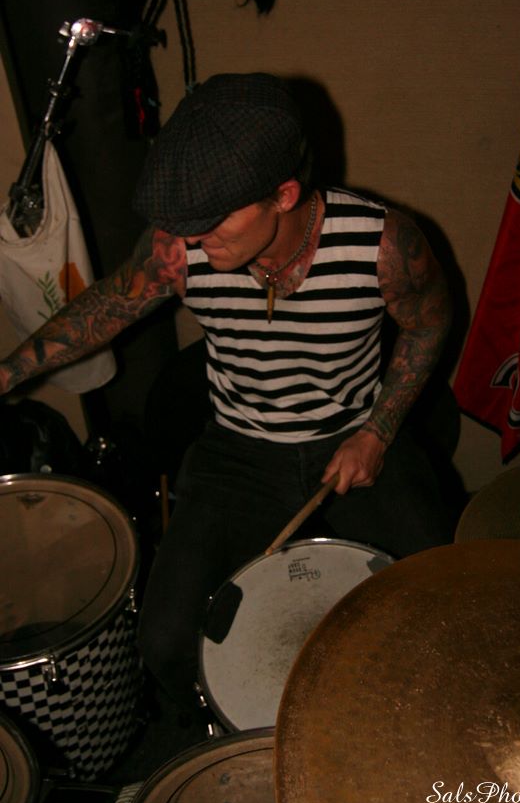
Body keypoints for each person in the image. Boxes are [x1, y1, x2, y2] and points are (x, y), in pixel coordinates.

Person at [0, 73, 453, 709]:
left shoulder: (382, 244)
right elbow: (105, 307)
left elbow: (430, 323)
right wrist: (6, 373)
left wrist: (378, 431)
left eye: (211, 223)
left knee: (443, 605)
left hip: (353, 433)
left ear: (283, 195)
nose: (190, 241)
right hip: (239, 452)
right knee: (165, 643)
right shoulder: (179, 248)